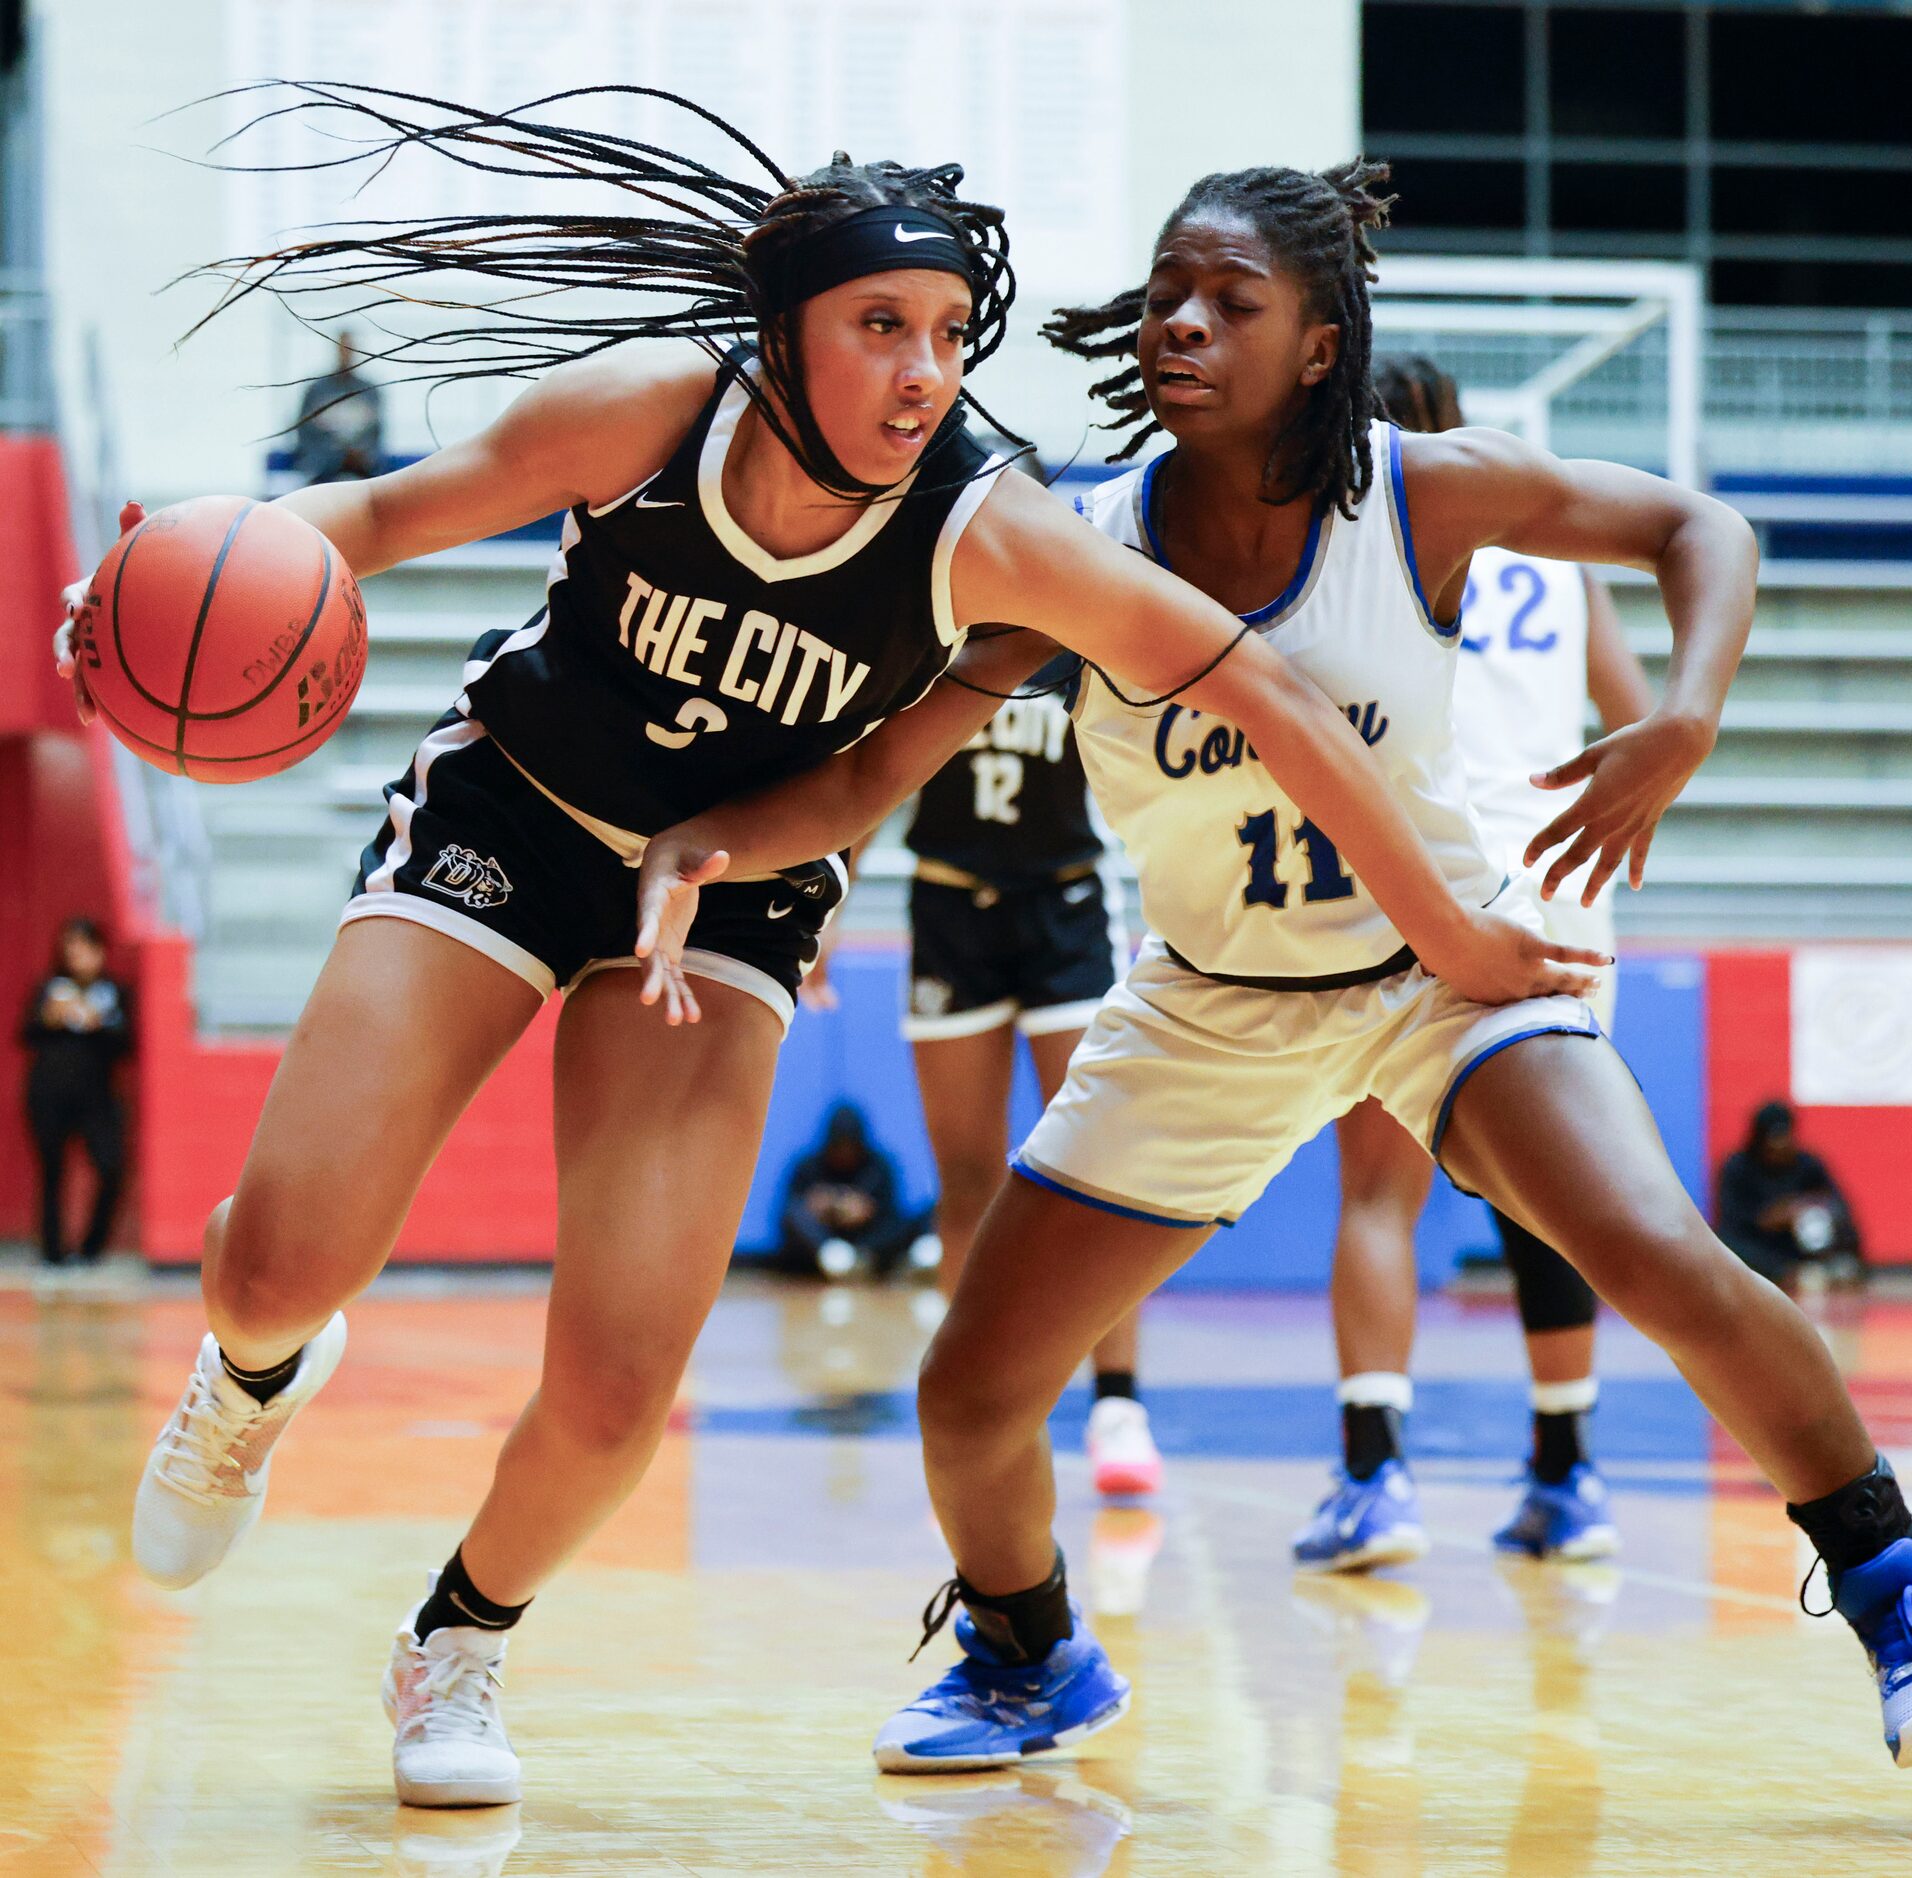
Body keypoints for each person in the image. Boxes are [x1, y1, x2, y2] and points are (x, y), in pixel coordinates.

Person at [57, 89, 1586, 1809]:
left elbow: (1262, 683)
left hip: (736, 892)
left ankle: (460, 1637)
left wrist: (1451, 925)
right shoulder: (647, 411)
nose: (923, 370)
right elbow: (373, 523)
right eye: (881, 328)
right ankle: (256, 1372)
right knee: (275, 1265)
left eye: (946, 335)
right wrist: (168, 570)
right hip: (518, 809)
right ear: (781, 332)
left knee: (625, 1370)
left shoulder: (989, 527)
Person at [632, 159, 1912, 1775]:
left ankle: (1899, 1579)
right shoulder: (1077, 543)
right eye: (1165, 293)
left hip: (1438, 968)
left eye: (1230, 300)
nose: (1181, 324)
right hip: (1205, 1000)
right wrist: (713, 835)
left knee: (1648, 1242)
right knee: (968, 1394)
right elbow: (876, 775)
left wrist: (1684, 712)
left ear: (1315, 341)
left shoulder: (1415, 491)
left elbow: (1697, 524)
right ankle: (1026, 1653)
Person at [1292, 355, 1656, 1574]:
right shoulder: (1553, 555)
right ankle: (1567, 1476)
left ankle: (1374, 1478)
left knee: (1377, 1194)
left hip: (1424, 881)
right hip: (1559, 892)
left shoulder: (1366, 538)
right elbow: (1628, 710)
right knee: (1553, 1199)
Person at [901, 661, 1161, 1496]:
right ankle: (968, 1401)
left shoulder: (1080, 615)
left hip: (1066, 907)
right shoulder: (928, 620)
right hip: (947, 907)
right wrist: (826, 905)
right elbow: (873, 765)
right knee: (966, 1179)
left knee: (1101, 1163)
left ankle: (1117, 1404)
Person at [19, 917, 131, 1270]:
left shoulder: (114, 992)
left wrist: (101, 1024)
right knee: (52, 1170)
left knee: (110, 1165)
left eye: (85, 949)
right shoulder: (50, 989)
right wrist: (49, 1017)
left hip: (96, 1096)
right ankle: (53, 1252)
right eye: (71, 949)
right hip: (50, 1092)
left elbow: (128, 1044)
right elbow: (25, 1034)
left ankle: (91, 1249)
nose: (78, 957)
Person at [1716, 1101, 1864, 1291]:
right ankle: (1790, 1274)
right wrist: (1769, 1218)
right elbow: (1730, 1222)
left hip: (1798, 1245)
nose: (1779, 1149)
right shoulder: (1736, 1168)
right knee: (1729, 1247)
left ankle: (1831, 1269)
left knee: (1843, 1232)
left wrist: (1806, 1207)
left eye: (1784, 1139)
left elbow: (1839, 1206)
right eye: (1772, 1144)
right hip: (1759, 1245)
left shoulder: (1808, 1165)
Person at [779, 1101, 917, 1279]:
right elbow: (790, 1209)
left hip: (866, 1242)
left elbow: (891, 1213)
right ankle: (835, 1258)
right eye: (839, 1146)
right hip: (820, 1244)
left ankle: (859, 1260)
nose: (844, 1154)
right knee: (793, 1215)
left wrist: (867, 1209)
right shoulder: (808, 1167)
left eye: (850, 1147)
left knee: (919, 1217)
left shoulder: (879, 1167)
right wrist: (820, 1208)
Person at [291, 328, 385, 486]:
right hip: (320, 469)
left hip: (363, 470)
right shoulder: (316, 390)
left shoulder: (370, 391)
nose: (346, 353)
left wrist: (362, 456)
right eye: (342, 348)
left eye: (350, 349)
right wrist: (334, 457)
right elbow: (304, 433)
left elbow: (376, 434)